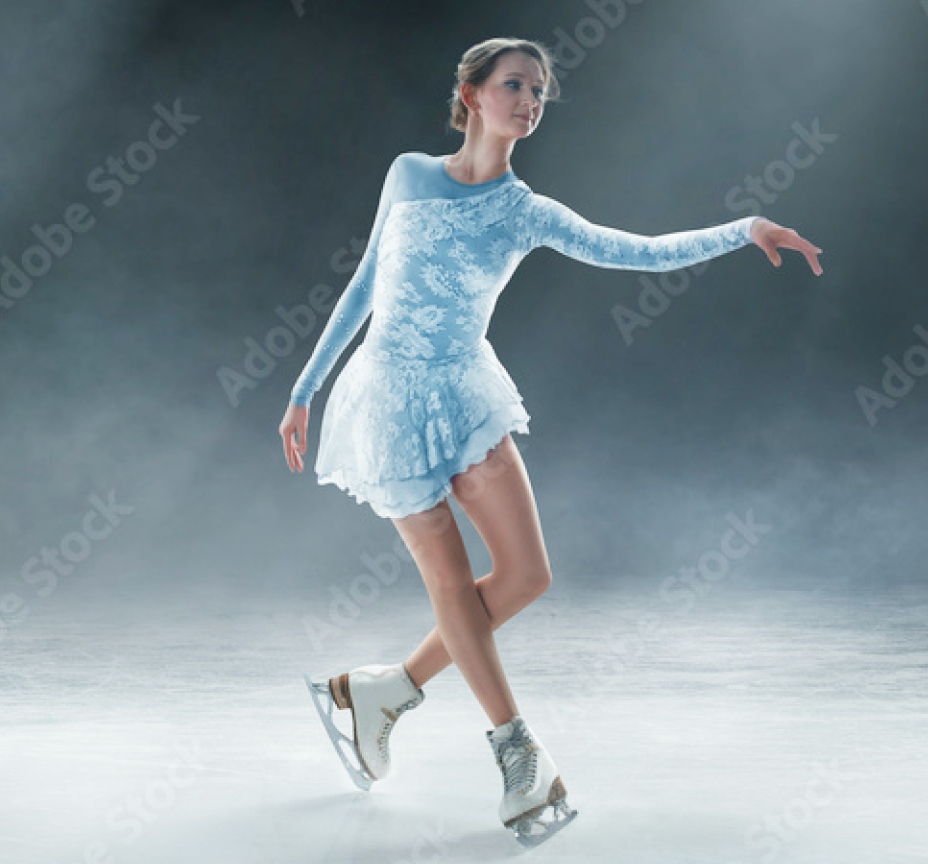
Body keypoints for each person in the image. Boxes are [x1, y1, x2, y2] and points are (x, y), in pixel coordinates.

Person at [280, 37, 823, 847]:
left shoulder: (524, 210)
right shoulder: (407, 174)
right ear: (469, 92)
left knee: (528, 574)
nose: (530, 101)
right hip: (389, 404)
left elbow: (636, 252)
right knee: (453, 587)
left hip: (464, 390)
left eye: (539, 91)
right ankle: (518, 756)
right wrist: (304, 387)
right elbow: (366, 279)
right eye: (514, 85)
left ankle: (382, 692)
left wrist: (745, 226)